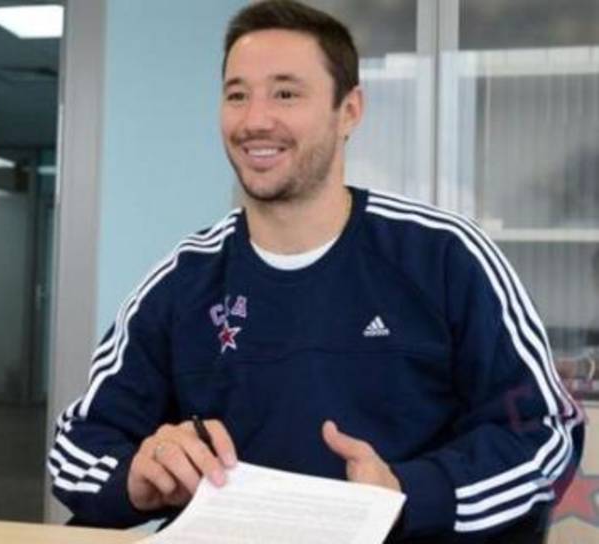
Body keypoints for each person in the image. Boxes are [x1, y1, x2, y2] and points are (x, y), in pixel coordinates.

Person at [47, 1, 584, 541]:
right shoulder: (181, 281)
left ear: (349, 111)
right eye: (237, 95)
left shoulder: (446, 256)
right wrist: (137, 476)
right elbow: (79, 446)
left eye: (286, 93)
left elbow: (545, 435)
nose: (255, 120)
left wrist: (407, 493)